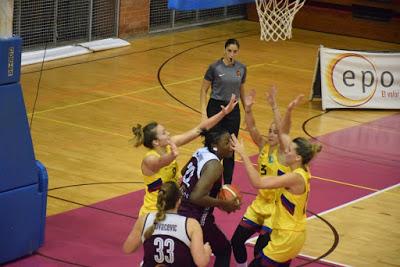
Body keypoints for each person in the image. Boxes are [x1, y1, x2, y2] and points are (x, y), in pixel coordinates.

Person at [230, 87, 322, 266]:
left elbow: (283, 133)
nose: (273, 134)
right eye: (270, 130)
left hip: (279, 218)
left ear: (296, 156)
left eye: (274, 131)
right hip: (267, 210)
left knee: (259, 255)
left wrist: (243, 154)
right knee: (237, 241)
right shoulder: (268, 148)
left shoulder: (289, 165)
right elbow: (272, 131)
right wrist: (250, 109)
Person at [132, 95, 238, 217]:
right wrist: (172, 155)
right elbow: (161, 162)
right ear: (156, 142)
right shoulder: (149, 159)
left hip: (173, 209)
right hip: (152, 212)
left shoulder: (170, 144)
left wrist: (223, 113)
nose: (168, 133)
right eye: (164, 133)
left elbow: (199, 129)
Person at [178, 127, 241, 267]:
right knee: (224, 249)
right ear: (215, 146)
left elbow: (184, 172)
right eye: (226, 143)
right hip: (196, 216)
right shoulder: (215, 165)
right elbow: (196, 197)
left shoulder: (201, 151)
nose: (231, 146)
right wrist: (224, 204)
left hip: (180, 210)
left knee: (191, 255)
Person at [123, 181, 212, 267]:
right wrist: (206, 251)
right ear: (179, 201)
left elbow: (128, 248)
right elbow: (201, 262)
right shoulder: (191, 224)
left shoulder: (145, 219)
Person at [200, 38, 247, 185]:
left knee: (230, 147)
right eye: (229, 51)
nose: (232, 54)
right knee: (212, 145)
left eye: (235, 51)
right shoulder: (214, 67)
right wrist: (203, 113)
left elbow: (242, 91)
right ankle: (206, 180)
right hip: (216, 107)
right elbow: (203, 90)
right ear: (224, 50)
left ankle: (227, 185)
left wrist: (248, 113)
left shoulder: (242, 68)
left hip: (233, 110)